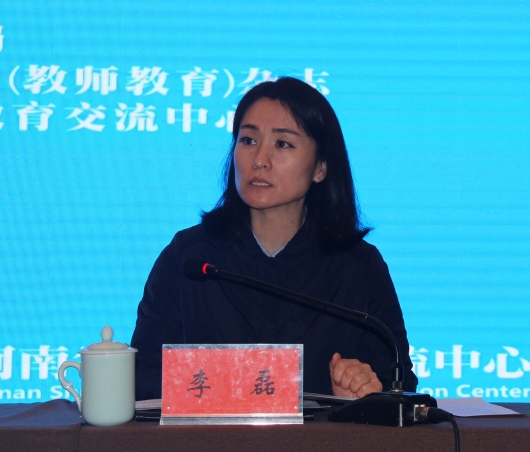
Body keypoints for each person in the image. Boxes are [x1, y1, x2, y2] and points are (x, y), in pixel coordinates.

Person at [130, 77, 417, 399]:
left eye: (282, 144)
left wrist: (362, 395)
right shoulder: (191, 258)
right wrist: (235, 386)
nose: (259, 160)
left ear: (321, 168)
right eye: (248, 140)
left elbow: (400, 386)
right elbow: (142, 376)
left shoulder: (359, 266)